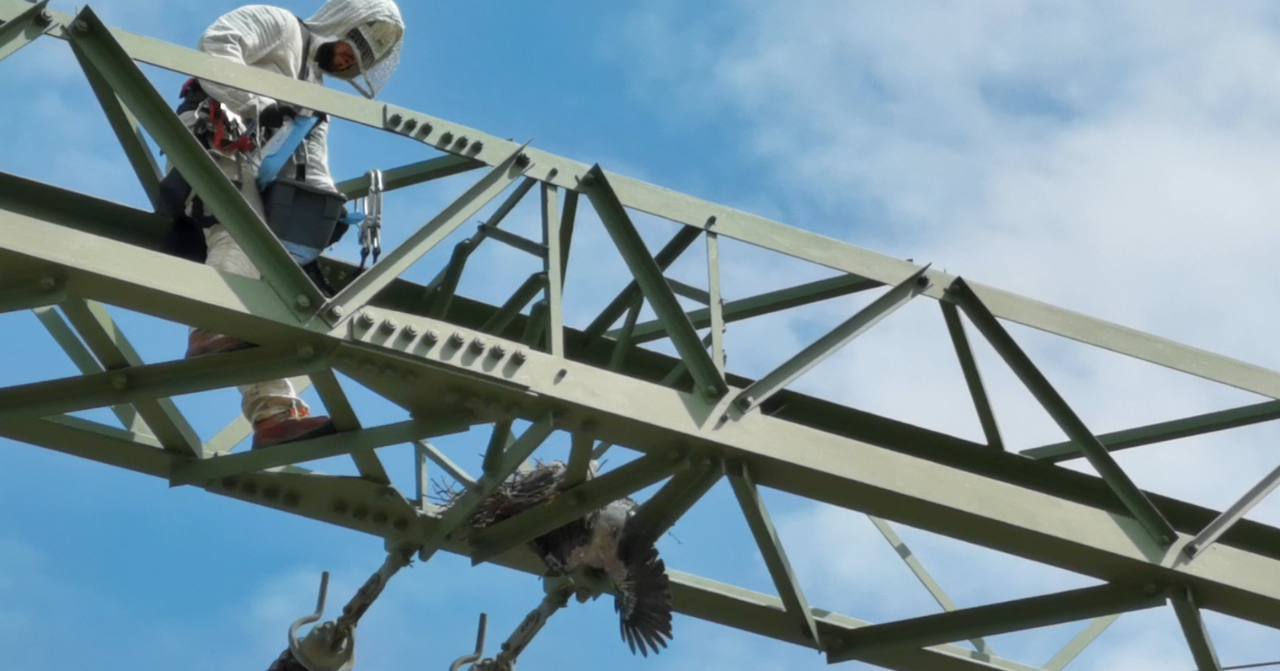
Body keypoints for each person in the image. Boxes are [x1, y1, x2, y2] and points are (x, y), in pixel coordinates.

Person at [165, 0, 404, 449]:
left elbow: (312, 159)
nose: (354, 58)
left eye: (365, 57)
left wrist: (325, 207)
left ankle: (273, 414)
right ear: (344, 20)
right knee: (238, 234)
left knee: (278, 286)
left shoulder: (315, 91)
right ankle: (210, 326)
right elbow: (217, 46)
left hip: (261, 172)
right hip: (220, 144)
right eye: (358, 43)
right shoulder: (277, 23)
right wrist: (258, 103)